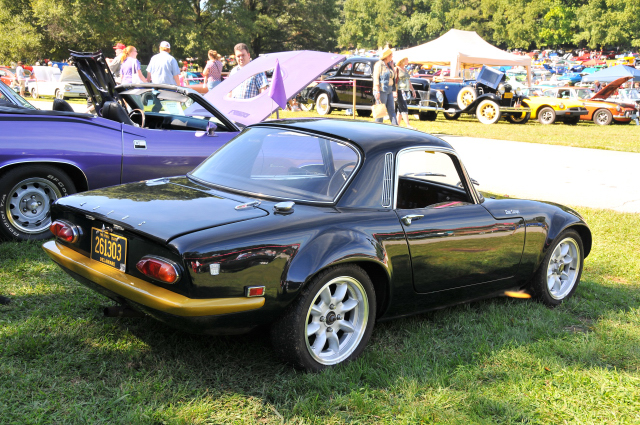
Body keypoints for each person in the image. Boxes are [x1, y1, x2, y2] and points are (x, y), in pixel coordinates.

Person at [372, 47, 398, 125]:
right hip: (381, 89)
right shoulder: (379, 64)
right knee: (381, 111)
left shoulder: (389, 65)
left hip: (389, 89)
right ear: (387, 56)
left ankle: (396, 127)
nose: (392, 56)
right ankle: (377, 129)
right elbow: (376, 78)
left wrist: (393, 67)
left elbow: (395, 76)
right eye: (391, 55)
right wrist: (377, 91)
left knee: (391, 110)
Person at [394, 56, 417, 129]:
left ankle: (396, 125)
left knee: (400, 108)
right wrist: (395, 91)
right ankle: (408, 124)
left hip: (406, 90)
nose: (408, 61)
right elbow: (395, 81)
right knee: (403, 106)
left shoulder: (405, 70)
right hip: (400, 90)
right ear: (402, 60)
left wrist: (412, 90)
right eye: (407, 59)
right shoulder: (397, 69)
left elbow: (409, 81)